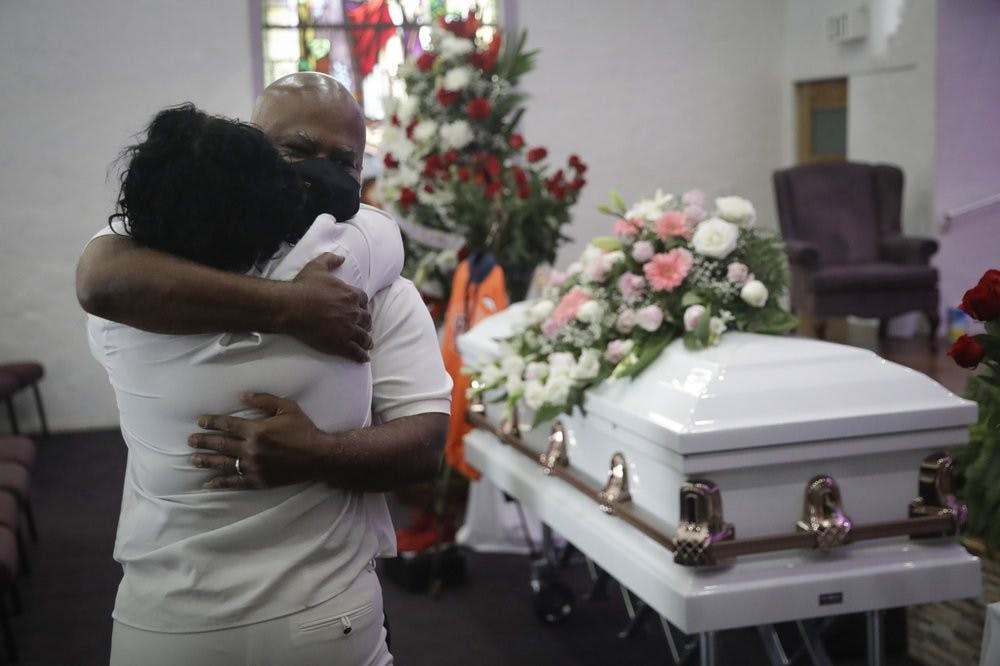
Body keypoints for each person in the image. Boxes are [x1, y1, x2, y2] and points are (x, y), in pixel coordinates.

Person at [79, 75, 451, 664]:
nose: (319, 175)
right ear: (250, 147)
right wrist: (290, 307)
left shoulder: (130, 294)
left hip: (219, 615)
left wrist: (318, 454)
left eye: (343, 162)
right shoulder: (355, 269)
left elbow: (427, 443)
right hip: (274, 616)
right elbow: (99, 278)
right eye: (296, 151)